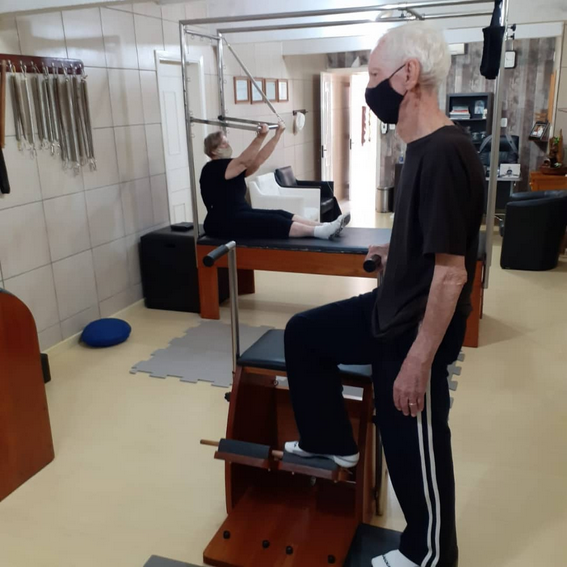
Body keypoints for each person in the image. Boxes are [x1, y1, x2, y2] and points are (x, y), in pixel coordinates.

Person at [283, 22, 484, 567]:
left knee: (413, 444)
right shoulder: (417, 147)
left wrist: (418, 361)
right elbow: (430, 239)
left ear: (408, 74)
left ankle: (430, 555)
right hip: (390, 309)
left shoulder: (444, 153)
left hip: (417, 327)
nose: (370, 88)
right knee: (304, 335)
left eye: (374, 75)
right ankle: (332, 440)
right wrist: (393, 254)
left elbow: (452, 273)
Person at [200, 123, 348, 240]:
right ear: (213, 151)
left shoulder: (231, 166)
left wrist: (277, 135)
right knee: (274, 221)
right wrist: (260, 136)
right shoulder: (211, 169)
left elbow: (258, 160)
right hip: (222, 221)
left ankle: (323, 226)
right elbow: (244, 161)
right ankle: (319, 232)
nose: (228, 146)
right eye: (224, 144)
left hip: (239, 213)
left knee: (281, 214)